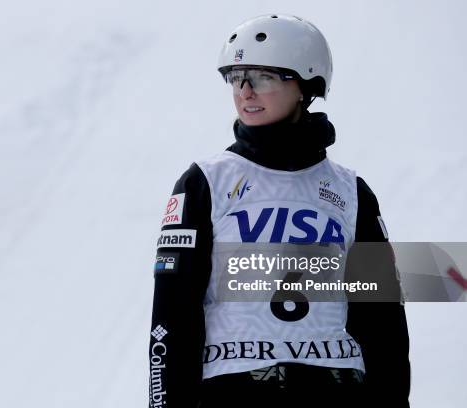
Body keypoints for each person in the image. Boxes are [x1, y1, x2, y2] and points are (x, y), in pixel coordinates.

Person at [148, 14, 410, 408]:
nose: (246, 91)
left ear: (305, 84)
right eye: (236, 78)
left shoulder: (351, 192)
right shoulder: (204, 183)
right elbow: (173, 314)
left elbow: (383, 323)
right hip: (234, 391)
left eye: (264, 77)